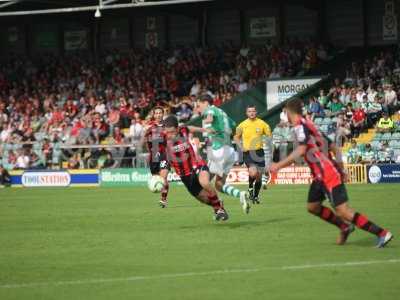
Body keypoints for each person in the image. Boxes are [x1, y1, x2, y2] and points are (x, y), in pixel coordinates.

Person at [270, 98, 393, 248]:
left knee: (344, 211)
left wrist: (278, 165)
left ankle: (382, 233)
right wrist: (342, 169)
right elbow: (334, 147)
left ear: (288, 112)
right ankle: (344, 227)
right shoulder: (309, 125)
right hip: (320, 176)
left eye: (285, 113)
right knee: (313, 207)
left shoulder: (300, 126)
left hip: (327, 174)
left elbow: (301, 150)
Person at [162, 115, 229, 221]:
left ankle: (219, 210)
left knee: (205, 183)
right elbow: (165, 161)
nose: (170, 135)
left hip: (197, 165)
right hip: (185, 176)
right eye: (168, 132)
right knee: (206, 200)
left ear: (177, 128)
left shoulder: (183, 130)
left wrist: (205, 130)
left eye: (172, 132)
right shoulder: (163, 141)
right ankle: (218, 205)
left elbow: (191, 128)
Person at [196, 95, 250, 214]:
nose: (199, 108)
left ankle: (218, 207)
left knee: (203, 181)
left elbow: (209, 118)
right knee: (219, 184)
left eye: (199, 105)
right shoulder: (223, 112)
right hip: (230, 151)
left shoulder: (210, 109)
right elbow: (233, 125)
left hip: (219, 150)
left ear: (206, 102)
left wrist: (206, 123)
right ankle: (240, 194)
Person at [234, 105, 271, 204]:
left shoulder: (262, 124)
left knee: (258, 177)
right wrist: (241, 147)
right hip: (248, 153)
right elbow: (236, 137)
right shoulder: (242, 125)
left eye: (253, 111)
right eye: (249, 111)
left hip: (259, 152)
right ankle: (250, 188)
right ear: (247, 113)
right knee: (253, 173)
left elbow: (269, 136)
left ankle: (255, 196)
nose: (251, 113)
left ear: (256, 112)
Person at [142, 107, 170, 208]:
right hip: (153, 157)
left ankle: (163, 199)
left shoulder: (167, 127)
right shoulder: (150, 128)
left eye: (160, 113)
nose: (158, 115)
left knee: (163, 178)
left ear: (163, 114)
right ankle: (161, 194)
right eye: (156, 113)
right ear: (154, 115)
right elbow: (144, 141)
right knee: (156, 178)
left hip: (165, 155)